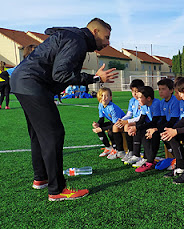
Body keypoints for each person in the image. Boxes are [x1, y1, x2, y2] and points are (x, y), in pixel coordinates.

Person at [10, 18, 118, 201]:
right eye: (106, 37)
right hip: (32, 83)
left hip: (24, 82)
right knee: (54, 134)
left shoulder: (72, 36)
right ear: (95, 32)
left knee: (38, 133)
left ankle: (41, 178)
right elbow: (61, 74)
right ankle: (57, 190)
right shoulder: (77, 41)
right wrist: (95, 78)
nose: (108, 42)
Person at [145, 78, 180, 163]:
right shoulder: (162, 102)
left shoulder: (175, 101)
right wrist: (155, 128)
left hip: (176, 126)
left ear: (171, 90)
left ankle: (180, 160)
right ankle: (148, 160)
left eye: (163, 89)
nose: (160, 91)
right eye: (159, 89)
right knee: (151, 133)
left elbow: (173, 120)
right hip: (168, 126)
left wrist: (157, 129)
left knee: (161, 134)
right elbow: (163, 119)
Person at [127, 86, 161, 172]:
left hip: (159, 126)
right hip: (152, 125)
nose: (138, 100)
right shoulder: (144, 105)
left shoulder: (156, 103)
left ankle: (149, 161)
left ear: (148, 98)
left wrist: (137, 127)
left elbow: (155, 122)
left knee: (150, 133)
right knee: (140, 130)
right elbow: (142, 119)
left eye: (140, 97)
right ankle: (145, 158)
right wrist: (134, 128)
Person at [116, 79, 145, 164]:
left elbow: (140, 117)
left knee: (127, 126)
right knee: (118, 126)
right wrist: (122, 120)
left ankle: (134, 152)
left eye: (137, 91)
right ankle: (129, 151)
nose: (135, 94)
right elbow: (129, 114)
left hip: (140, 121)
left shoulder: (142, 100)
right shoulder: (132, 101)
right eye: (133, 91)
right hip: (133, 120)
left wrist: (127, 122)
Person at [0, 45, 37, 109]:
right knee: (6, 94)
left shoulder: (7, 70)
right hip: (6, 81)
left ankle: (2, 105)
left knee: (3, 94)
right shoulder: (13, 68)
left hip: (3, 81)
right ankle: (6, 106)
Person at [92, 87, 125, 159]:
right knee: (98, 128)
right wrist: (97, 124)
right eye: (102, 96)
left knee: (110, 132)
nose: (104, 98)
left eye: (107, 96)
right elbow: (101, 119)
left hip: (122, 123)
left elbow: (115, 124)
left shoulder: (112, 108)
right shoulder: (100, 105)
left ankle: (115, 149)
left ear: (110, 97)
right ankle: (108, 147)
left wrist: (101, 129)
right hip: (114, 123)